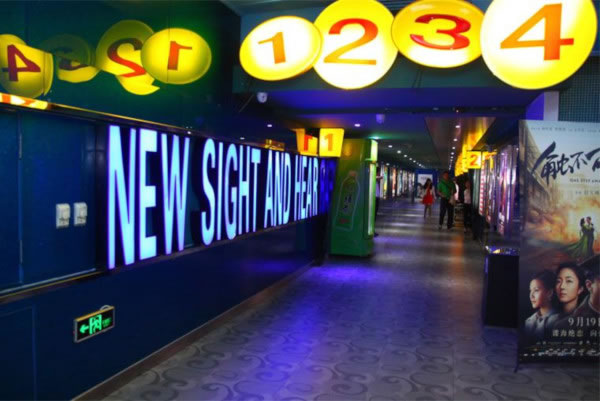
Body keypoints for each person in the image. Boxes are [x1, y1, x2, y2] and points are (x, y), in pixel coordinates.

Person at [524, 270, 559, 345]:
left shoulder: (559, 321)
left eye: (536, 290)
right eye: (530, 290)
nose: (531, 295)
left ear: (549, 293)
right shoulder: (529, 321)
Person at [552, 264, 586, 330]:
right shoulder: (551, 320)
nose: (562, 286)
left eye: (569, 281)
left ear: (580, 289)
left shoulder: (586, 320)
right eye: (558, 281)